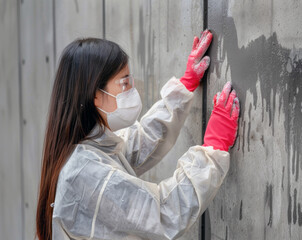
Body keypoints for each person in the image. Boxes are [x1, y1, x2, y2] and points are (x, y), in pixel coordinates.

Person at [36, 29, 240, 240]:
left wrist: (183, 89)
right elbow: (164, 213)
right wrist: (213, 149)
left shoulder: (87, 148)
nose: (132, 90)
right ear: (95, 95)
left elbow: (137, 144)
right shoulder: (85, 173)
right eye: (124, 83)